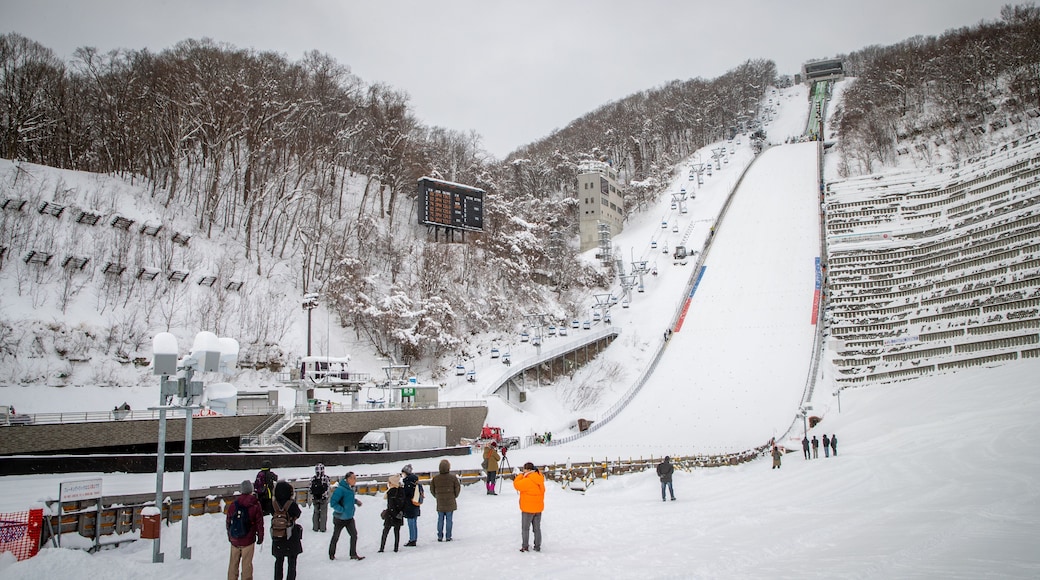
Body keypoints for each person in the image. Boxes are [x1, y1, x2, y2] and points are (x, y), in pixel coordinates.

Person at [226, 480, 264, 580]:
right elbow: (259, 522)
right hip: (248, 539)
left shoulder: (234, 504)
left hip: (235, 538)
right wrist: (260, 537)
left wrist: (230, 535)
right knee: (246, 565)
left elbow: (228, 520)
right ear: (251, 490)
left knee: (233, 564)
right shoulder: (255, 504)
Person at [270, 480, 303, 580]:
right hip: (290, 536)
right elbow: (298, 513)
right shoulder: (291, 504)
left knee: (279, 561)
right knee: (292, 561)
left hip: (277, 536)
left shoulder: (274, 504)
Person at [328, 472, 364, 561]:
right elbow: (333, 503)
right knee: (336, 536)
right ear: (348, 479)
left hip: (349, 517)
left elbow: (348, 499)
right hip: (339, 518)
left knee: (354, 535)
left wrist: (356, 501)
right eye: (353, 478)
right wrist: (341, 510)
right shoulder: (340, 489)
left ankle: (353, 554)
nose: (355, 480)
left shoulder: (350, 489)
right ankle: (331, 554)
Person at [513, 461, 545, 552]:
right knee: (537, 529)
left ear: (528, 470)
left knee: (525, 529)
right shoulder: (540, 479)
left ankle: (525, 546)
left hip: (527, 508)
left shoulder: (527, 480)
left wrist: (520, 475)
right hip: (538, 508)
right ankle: (537, 546)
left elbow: (516, 485)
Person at [430, 458, 461, 542]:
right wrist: (454, 496)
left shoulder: (435, 478)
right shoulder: (453, 478)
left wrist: (437, 496)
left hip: (440, 501)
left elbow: (432, 489)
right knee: (449, 519)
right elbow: (457, 488)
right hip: (450, 501)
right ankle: (448, 536)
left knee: (440, 519)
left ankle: (440, 536)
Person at [379, 473, 406, 552]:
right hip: (399, 515)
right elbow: (404, 503)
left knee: (385, 531)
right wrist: (401, 512)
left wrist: (394, 513)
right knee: (397, 532)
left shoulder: (390, 492)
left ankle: (382, 548)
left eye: (389, 482)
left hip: (391, 515)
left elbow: (390, 505)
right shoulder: (402, 490)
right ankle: (396, 548)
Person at [401, 464, 424, 546]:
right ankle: (414, 538)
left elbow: (406, 494)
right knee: (414, 522)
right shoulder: (415, 481)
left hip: (409, 505)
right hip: (415, 504)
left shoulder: (408, 482)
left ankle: (412, 539)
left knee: (411, 523)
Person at [309, 463, 331, 532]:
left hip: (315, 498)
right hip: (323, 498)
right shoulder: (326, 478)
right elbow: (328, 488)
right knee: (323, 514)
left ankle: (315, 528)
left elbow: (310, 489)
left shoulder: (313, 478)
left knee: (316, 513)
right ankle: (322, 528)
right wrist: (323, 495)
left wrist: (314, 495)